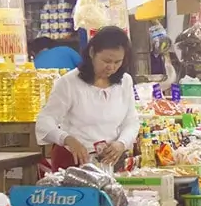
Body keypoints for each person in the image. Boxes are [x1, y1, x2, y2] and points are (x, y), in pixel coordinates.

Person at [35, 26, 139, 171]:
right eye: (106, 61)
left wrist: (121, 143)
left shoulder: (125, 81)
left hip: (111, 163)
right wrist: (67, 139)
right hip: (73, 163)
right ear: (92, 53)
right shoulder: (68, 83)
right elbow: (44, 122)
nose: (111, 67)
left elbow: (131, 121)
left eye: (117, 62)